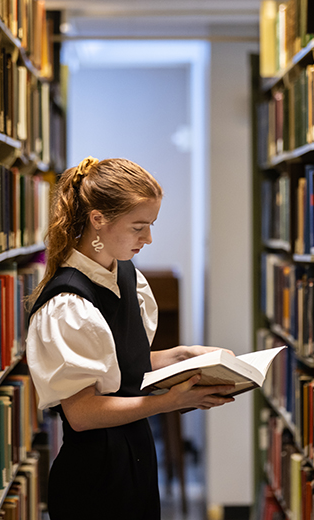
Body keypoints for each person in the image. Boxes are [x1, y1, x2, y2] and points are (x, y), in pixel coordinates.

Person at [25, 156, 235, 519]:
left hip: (134, 456)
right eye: (139, 226)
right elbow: (82, 412)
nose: (149, 238)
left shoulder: (126, 275)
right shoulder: (68, 305)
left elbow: (121, 368)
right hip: (95, 475)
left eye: (151, 225)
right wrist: (168, 402)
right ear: (98, 220)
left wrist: (185, 356)